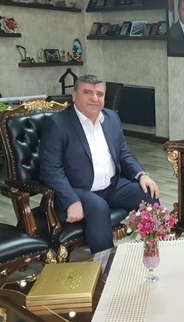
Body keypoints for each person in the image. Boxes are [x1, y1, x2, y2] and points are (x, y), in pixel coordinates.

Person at [40, 74, 160, 253]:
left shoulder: (111, 118)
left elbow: (124, 154)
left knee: (148, 193)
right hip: (77, 189)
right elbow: (51, 169)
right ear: (74, 96)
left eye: (100, 94)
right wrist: (71, 200)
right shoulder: (57, 123)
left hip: (111, 186)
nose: (94, 98)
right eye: (87, 92)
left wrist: (141, 174)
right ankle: (105, 264)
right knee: (98, 206)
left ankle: (152, 253)